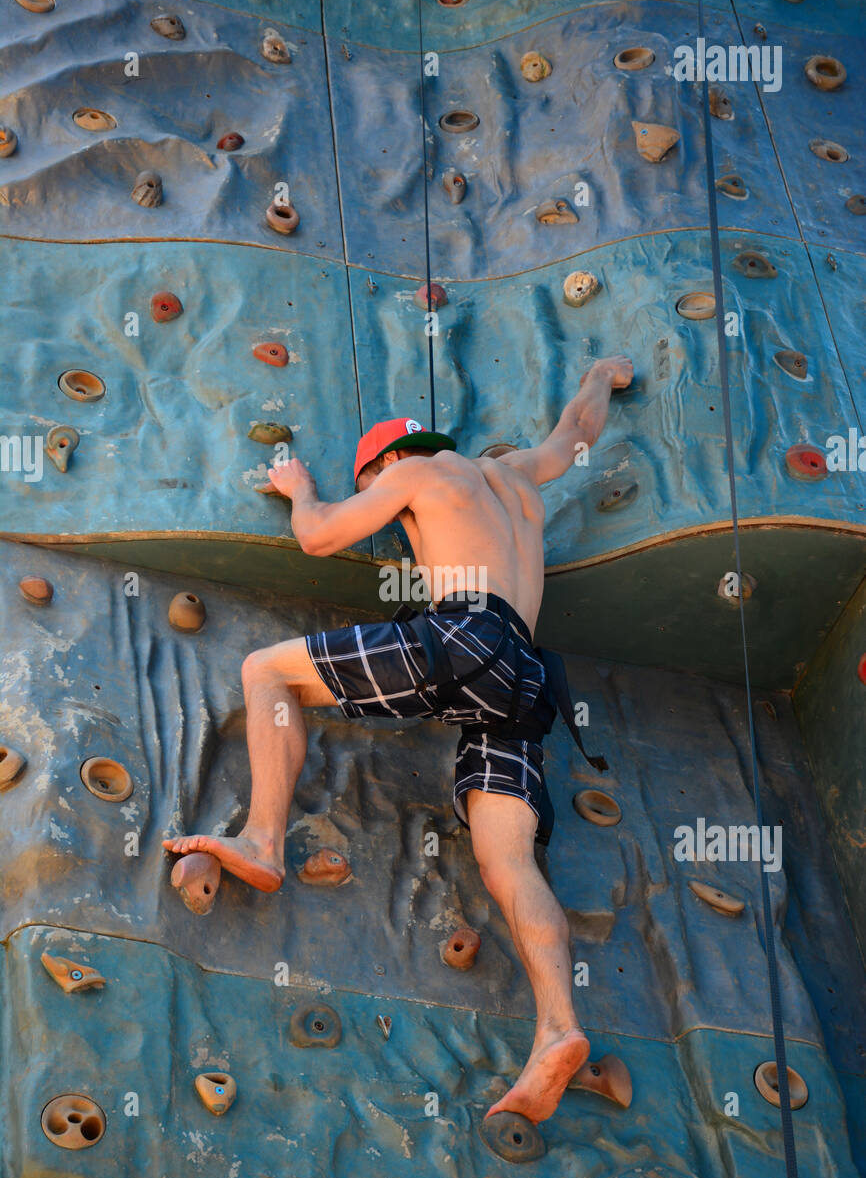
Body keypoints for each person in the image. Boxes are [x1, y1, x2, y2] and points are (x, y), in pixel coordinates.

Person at [165, 354, 633, 1124]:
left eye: (373, 481)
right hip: (524, 675)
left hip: (464, 633)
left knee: (266, 673)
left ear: (385, 464)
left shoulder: (415, 475)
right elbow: (575, 432)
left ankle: (261, 839)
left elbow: (318, 538)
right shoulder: (516, 475)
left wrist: (302, 490)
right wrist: (603, 375)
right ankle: (559, 1027)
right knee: (509, 860)